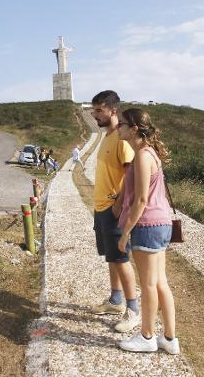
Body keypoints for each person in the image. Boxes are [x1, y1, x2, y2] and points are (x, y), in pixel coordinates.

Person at [115, 107, 179, 354]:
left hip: (147, 225)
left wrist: (125, 233)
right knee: (161, 282)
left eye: (121, 124)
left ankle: (147, 336)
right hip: (160, 224)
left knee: (149, 285)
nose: (117, 127)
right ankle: (170, 339)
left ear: (133, 129)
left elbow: (141, 200)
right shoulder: (150, 154)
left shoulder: (142, 156)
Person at [90, 90, 140, 333]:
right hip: (101, 208)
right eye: (93, 110)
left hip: (113, 210)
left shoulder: (121, 138)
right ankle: (115, 301)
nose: (94, 115)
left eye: (98, 110)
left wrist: (119, 204)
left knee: (121, 258)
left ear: (112, 110)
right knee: (111, 257)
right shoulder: (108, 136)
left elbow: (132, 174)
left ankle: (133, 311)